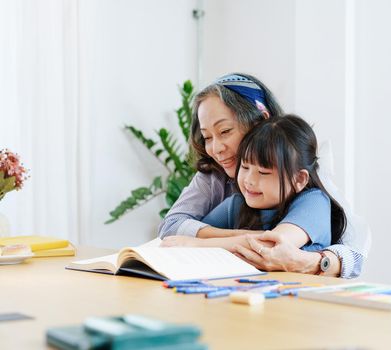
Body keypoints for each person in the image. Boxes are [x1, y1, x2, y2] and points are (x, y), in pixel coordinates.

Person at [159, 73, 371, 278]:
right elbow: (171, 230)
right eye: (206, 137)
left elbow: (354, 253)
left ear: (260, 121)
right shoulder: (226, 190)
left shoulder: (311, 193)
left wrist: (198, 243)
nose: (216, 148)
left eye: (225, 131)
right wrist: (241, 238)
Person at [165, 115, 346, 254]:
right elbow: (181, 235)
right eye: (245, 166)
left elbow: (273, 245)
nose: (249, 180)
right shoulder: (237, 204)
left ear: (299, 179)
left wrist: (199, 245)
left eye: (263, 172)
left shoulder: (314, 202)